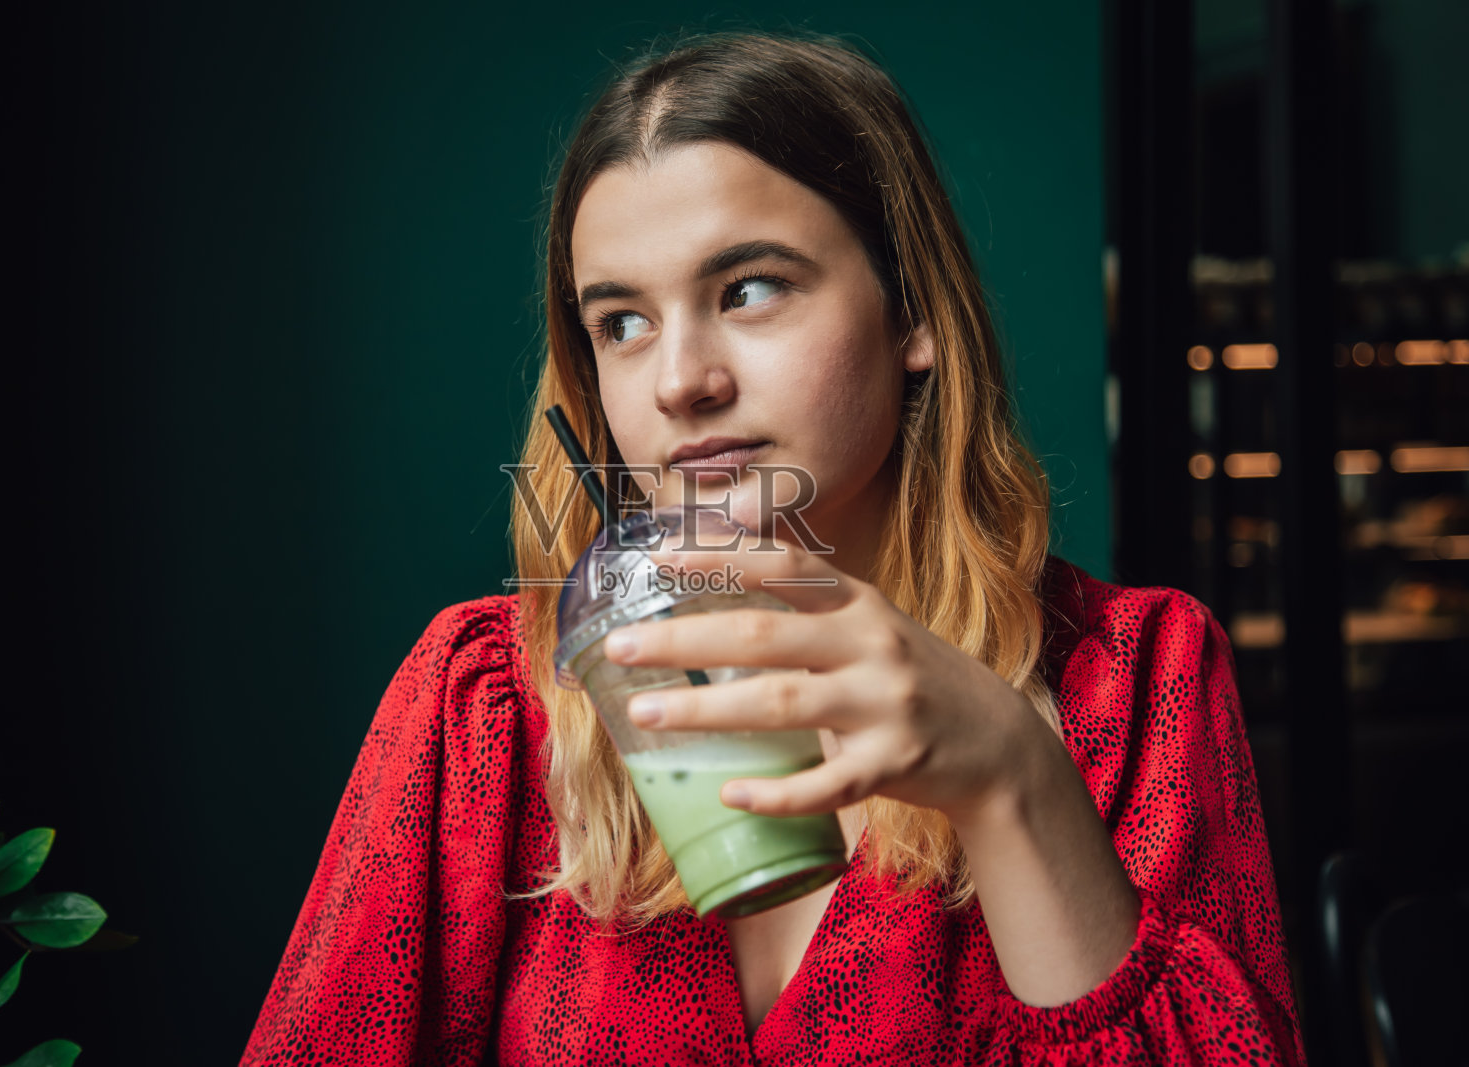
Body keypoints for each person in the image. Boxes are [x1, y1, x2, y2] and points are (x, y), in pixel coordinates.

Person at [239, 31, 1306, 1066]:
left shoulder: (1131, 680)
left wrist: (1013, 780)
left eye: (748, 288)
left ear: (913, 314)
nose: (678, 380)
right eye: (622, 322)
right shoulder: (485, 707)